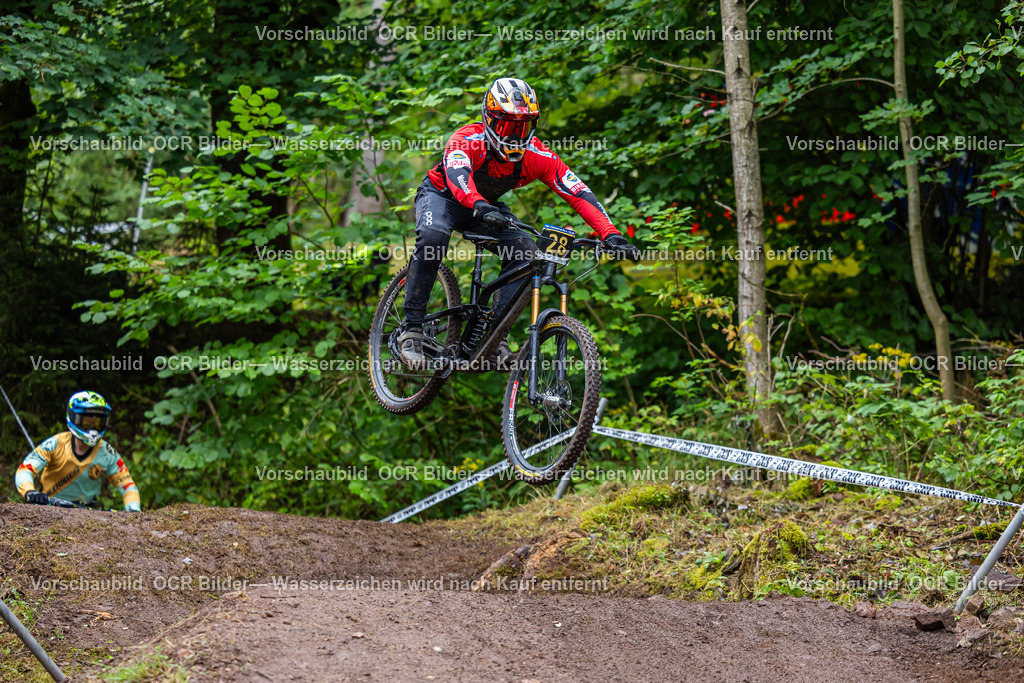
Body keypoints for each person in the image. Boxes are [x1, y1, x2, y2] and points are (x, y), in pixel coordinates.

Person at [398, 77, 640, 370]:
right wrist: (479, 204)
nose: (514, 136)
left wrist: (610, 233)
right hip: (442, 196)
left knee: (526, 252)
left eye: (522, 127)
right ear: (489, 119)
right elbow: (457, 175)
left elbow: (577, 192)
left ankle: (493, 339)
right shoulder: (467, 139)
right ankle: (411, 329)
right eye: (506, 126)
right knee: (434, 238)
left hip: (486, 207)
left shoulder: (537, 156)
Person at [15, 391, 141, 511]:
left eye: (98, 423)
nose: (92, 429)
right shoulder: (55, 444)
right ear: (74, 418)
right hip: (49, 508)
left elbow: (127, 485)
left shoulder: (107, 453)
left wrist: (134, 509)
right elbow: (26, 469)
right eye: (86, 423)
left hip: (88, 512)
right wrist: (30, 492)